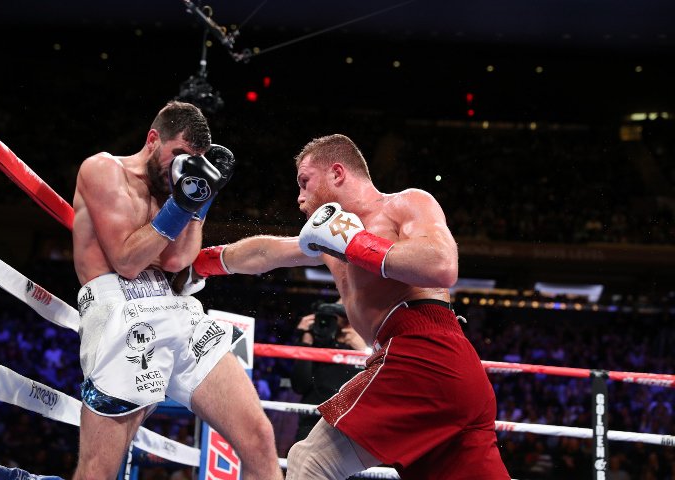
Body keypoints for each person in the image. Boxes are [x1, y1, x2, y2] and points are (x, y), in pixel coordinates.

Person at [187, 134, 511, 479]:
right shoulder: (327, 238)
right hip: (448, 375)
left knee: (309, 460)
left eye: (305, 182)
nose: (299, 198)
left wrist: (355, 242)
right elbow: (266, 252)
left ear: (337, 173)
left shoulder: (403, 204)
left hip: (423, 353)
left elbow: (442, 266)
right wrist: (196, 264)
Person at [71, 100, 282, 480]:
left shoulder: (173, 189)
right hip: (118, 310)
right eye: (179, 155)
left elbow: (176, 261)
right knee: (99, 469)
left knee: (259, 438)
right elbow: (127, 262)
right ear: (153, 139)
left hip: (172, 306)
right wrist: (180, 205)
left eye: (193, 161)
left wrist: (200, 200)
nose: (181, 167)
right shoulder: (104, 169)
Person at [291, 301, 367, 442]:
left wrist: (363, 352)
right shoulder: (316, 346)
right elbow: (299, 386)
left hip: (352, 427)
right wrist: (305, 342)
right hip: (311, 425)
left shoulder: (366, 347)